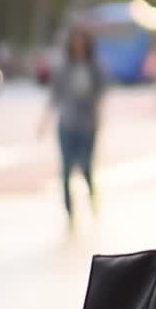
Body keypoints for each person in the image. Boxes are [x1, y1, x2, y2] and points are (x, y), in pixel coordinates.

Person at [38, 24, 108, 228]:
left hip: (88, 126)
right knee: (66, 171)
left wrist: (97, 115)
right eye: (75, 41)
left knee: (86, 168)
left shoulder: (94, 67)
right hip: (67, 124)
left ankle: (92, 197)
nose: (78, 45)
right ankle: (70, 214)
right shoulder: (63, 68)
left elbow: (101, 93)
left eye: (82, 40)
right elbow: (54, 96)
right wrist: (44, 121)